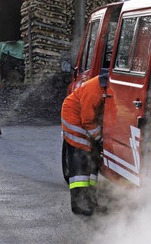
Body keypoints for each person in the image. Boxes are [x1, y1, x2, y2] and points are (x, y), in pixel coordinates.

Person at [61, 75, 107, 216]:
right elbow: (87, 120)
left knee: (92, 160)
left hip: (81, 119)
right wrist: (99, 137)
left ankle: (91, 202)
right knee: (80, 163)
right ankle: (78, 205)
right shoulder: (93, 91)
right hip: (74, 120)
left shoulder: (102, 84)